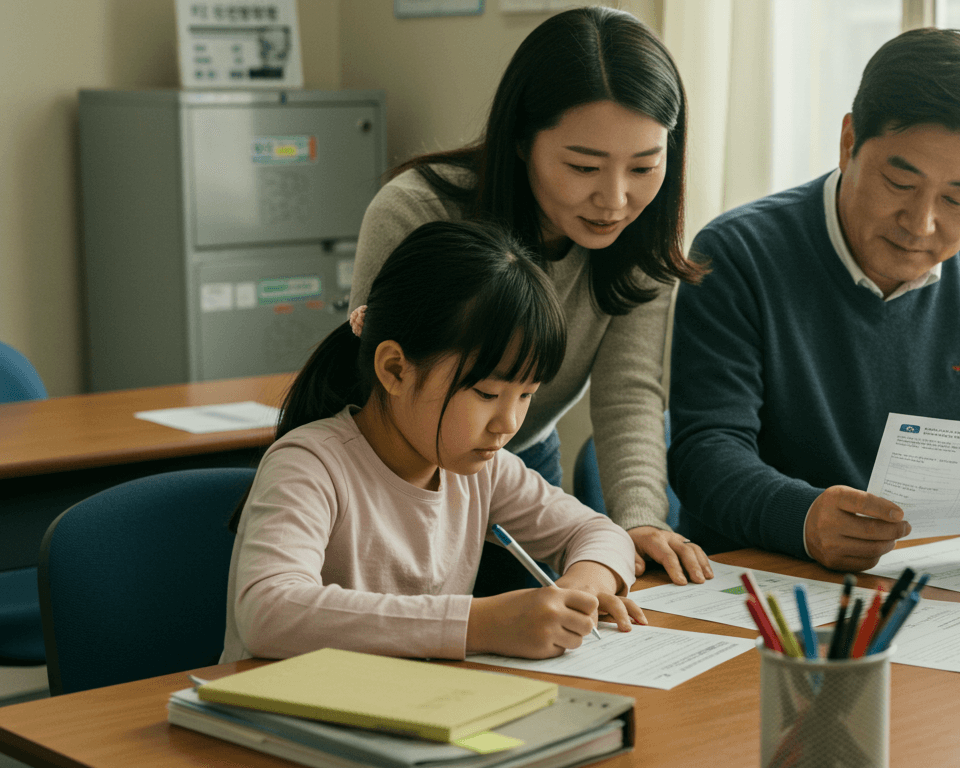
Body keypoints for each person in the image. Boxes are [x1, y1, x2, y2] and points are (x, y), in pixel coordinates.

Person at [668, 29, 960, 573]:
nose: (921, 224)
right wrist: (804, 518)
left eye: (959, 198)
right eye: (899, 182)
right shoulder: (740, 252)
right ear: (848, 143)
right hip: (757, 576)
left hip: (929, 576)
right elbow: (706, 453)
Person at [350, 6, 712, 588]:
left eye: (644, 166)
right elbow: (373, 388)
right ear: (521, 139)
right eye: (584, 166)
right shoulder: (418, 212)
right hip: (391, 478)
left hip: (514, 469)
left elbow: (628, 396)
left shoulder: (639, 243)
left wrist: (637, 522)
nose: (615, 200)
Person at [222, 221, 646, 663]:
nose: (508, 422)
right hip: (284, 715)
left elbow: (596, 531)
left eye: (526, 395)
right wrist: (478, 624)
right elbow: (267, 611)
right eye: (486, 394)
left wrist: (583, 589)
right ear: (396, 370)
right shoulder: (310, 465)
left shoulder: (483, 468)